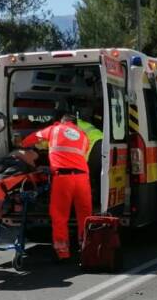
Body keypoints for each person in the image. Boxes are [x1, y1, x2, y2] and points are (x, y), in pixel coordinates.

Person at [21, 111, 91, 261]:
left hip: (63, 178)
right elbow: (82, 153)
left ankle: (63, 251)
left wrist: (21, 144)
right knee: (85, 215)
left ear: (62, 121)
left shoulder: (54, 129)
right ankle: (86, 247)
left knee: (60, 216)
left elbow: (32, 139)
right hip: (82, 178)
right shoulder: (83, 136)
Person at [77, 113, 104, 212]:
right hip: (103, 143)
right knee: (99, 178)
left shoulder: (62, 126)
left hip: (94, 147)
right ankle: (98, 202)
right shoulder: (80, 123)